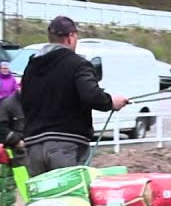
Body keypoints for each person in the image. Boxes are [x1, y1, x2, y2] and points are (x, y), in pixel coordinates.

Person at [18, 16, 128, 176]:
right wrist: (111, 102)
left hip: (33, 147)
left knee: (42, 200)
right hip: (67, 145)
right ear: (71, 37)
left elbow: (23, 100)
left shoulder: (31, 68)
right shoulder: (77, 64)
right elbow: (91, 95)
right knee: (70, 198)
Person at [0, 89, 28, 199]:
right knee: (22, 179)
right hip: (16, 150)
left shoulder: (33, 101)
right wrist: (16, 141)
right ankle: (28, 202)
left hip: (32, 148)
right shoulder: (8, 104)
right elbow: (1, 128)